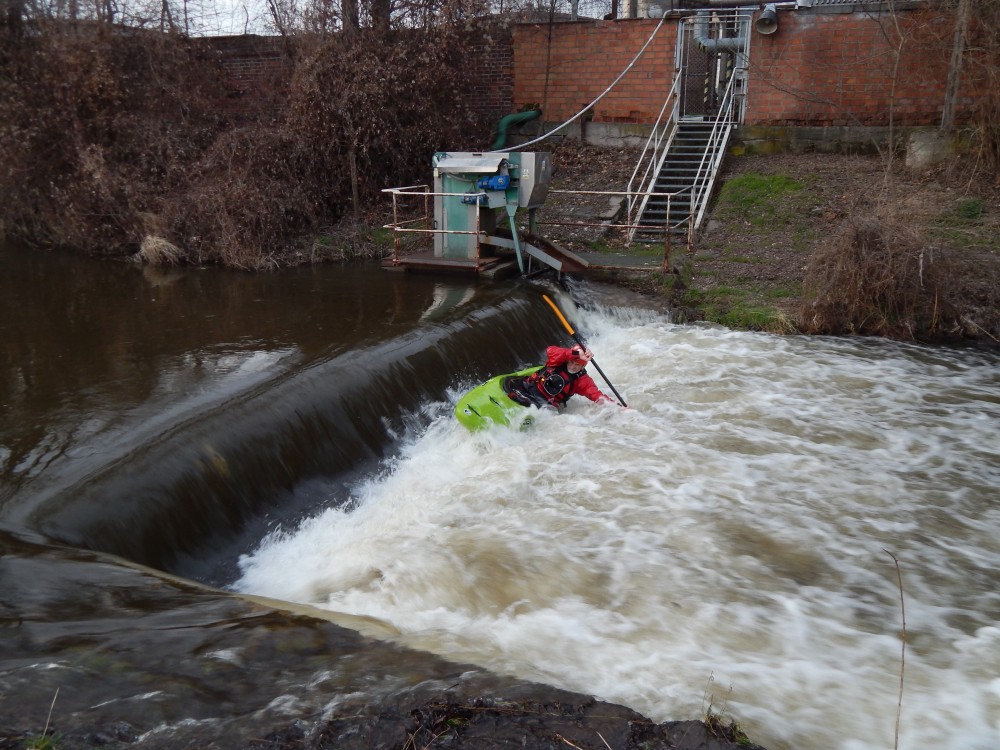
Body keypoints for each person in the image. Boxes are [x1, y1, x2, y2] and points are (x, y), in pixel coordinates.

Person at [504, 344, 615, 411]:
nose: (572, 366)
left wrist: (615, 406)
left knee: (545, 410)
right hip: (530, 386)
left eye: (577, 365)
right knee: (512, 385)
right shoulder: (558, 361)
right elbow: (550, 350)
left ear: (583, 366)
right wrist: (576, 354)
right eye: (571, 362)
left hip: (545, 402)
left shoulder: (582, 380)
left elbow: (596, 395)